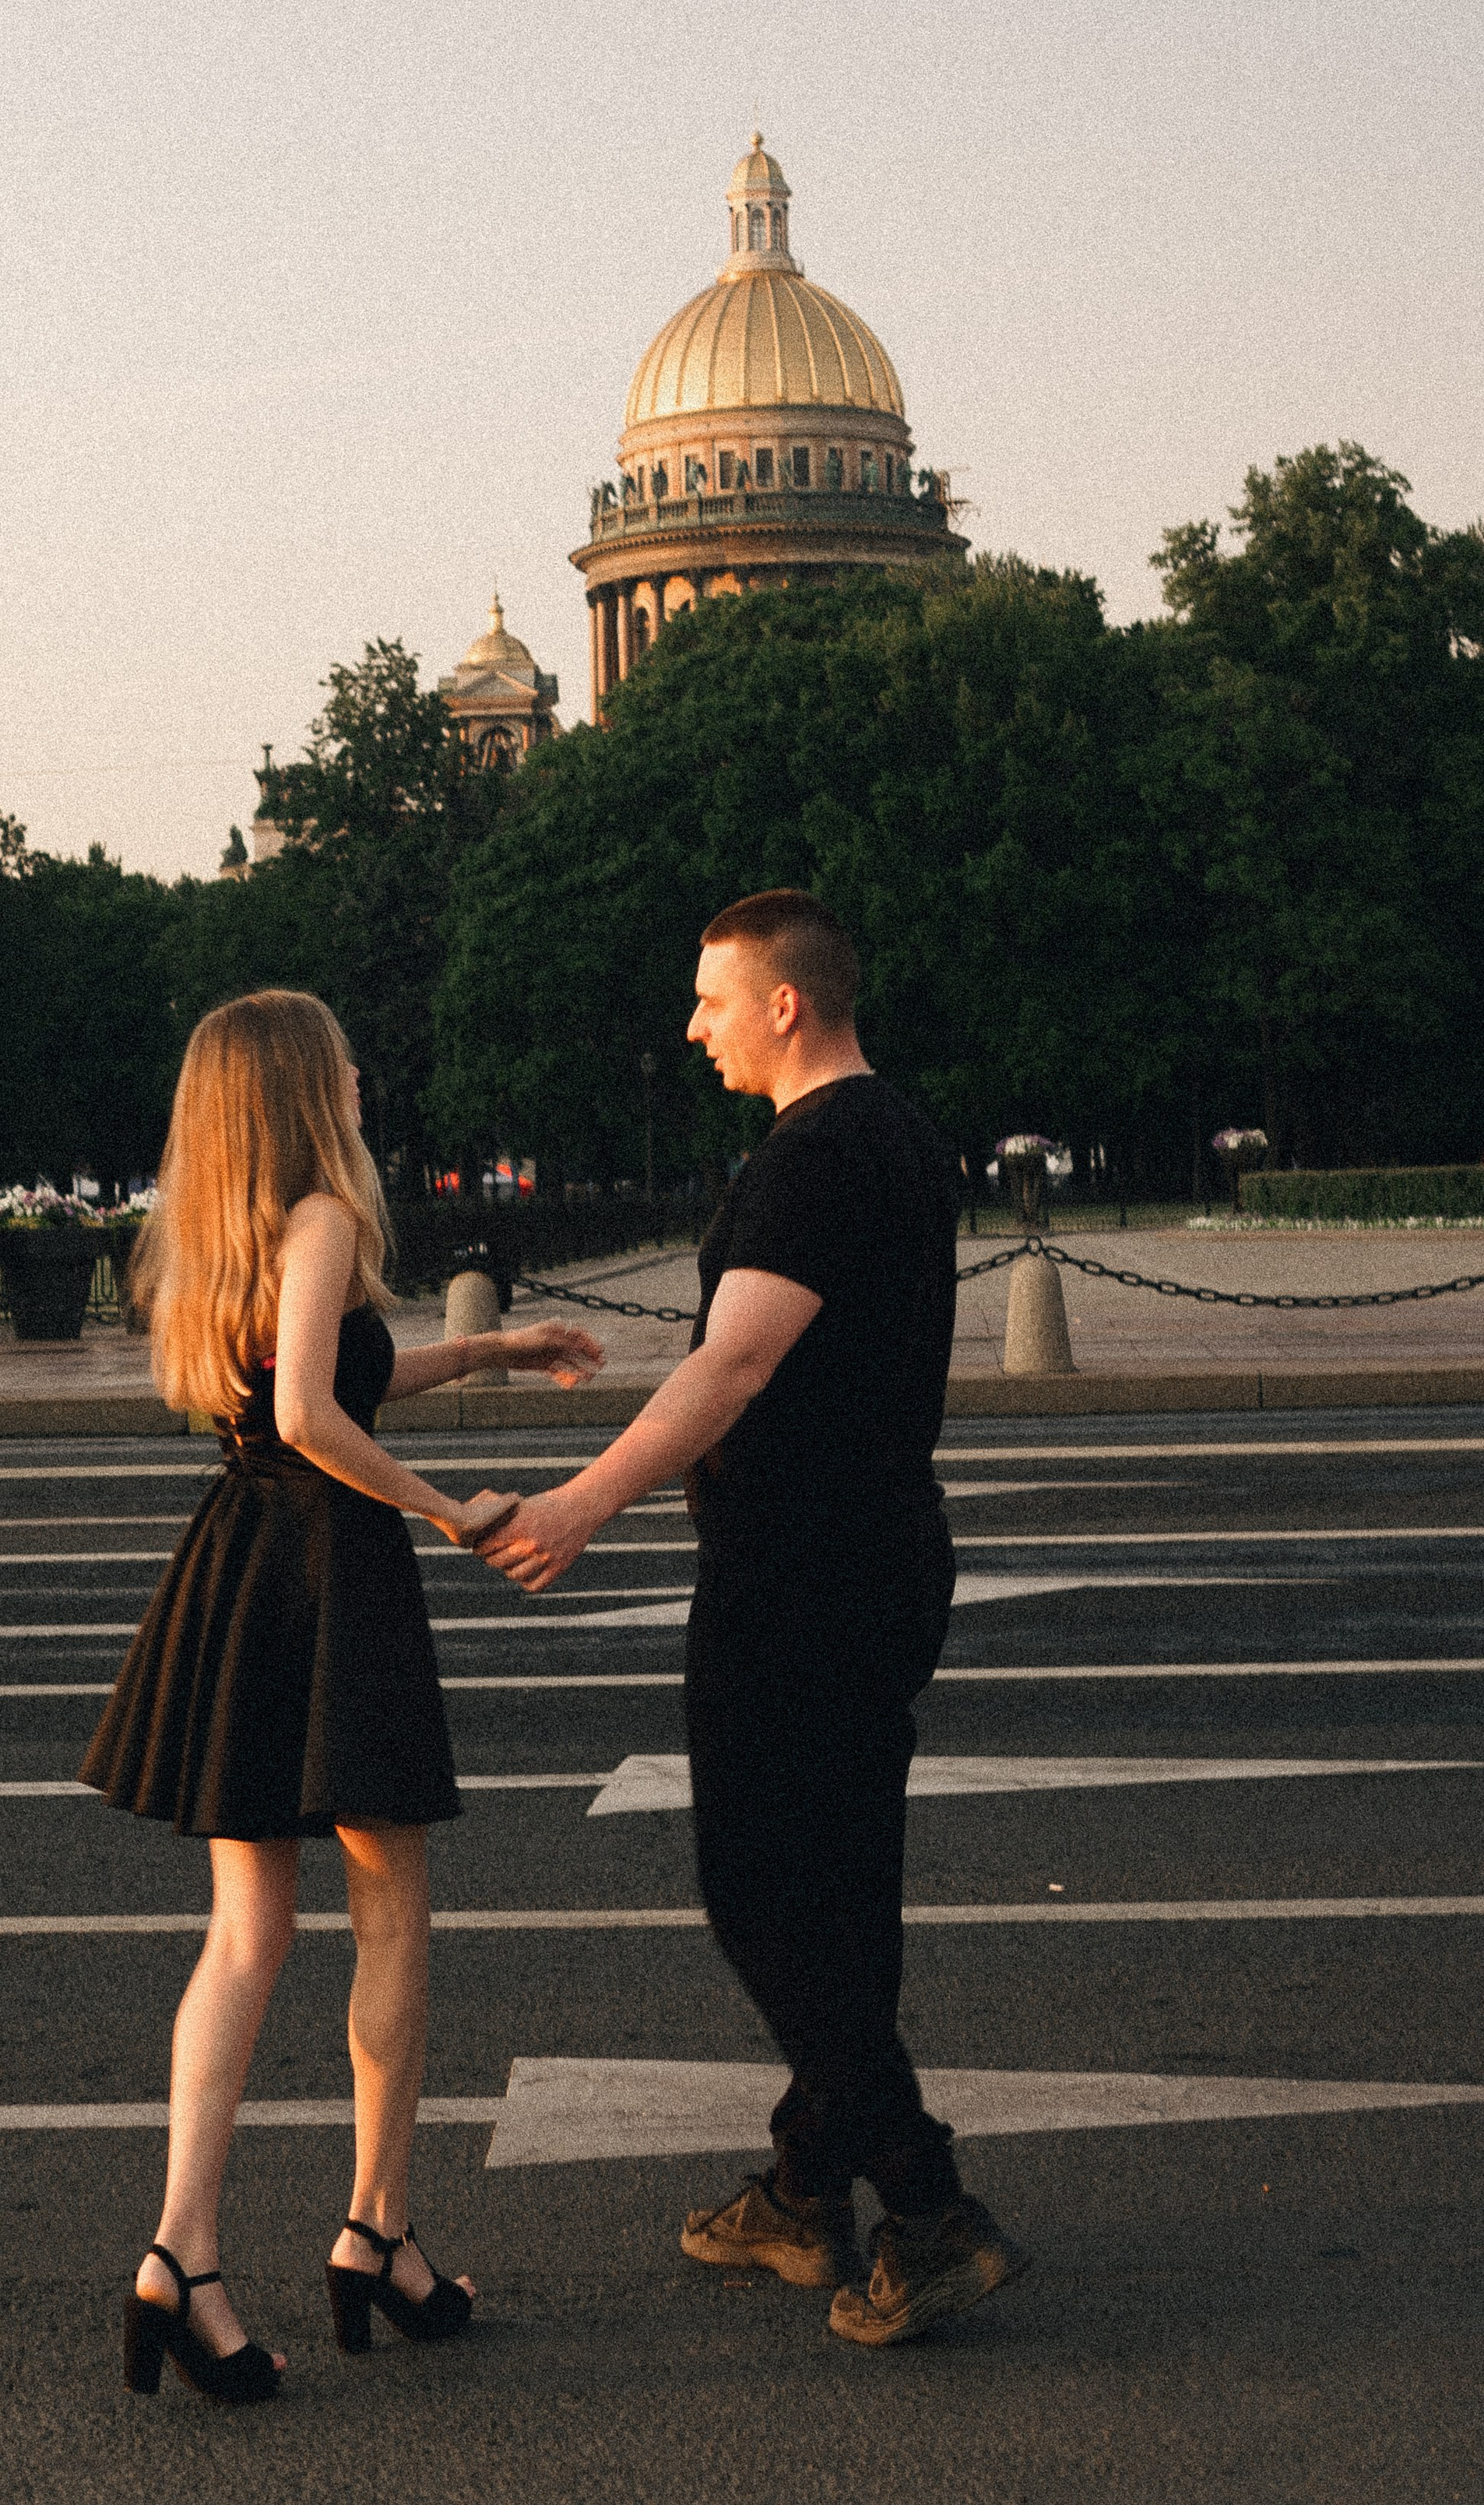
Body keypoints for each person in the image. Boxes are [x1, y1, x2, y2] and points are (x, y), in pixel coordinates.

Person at [483, 892, 1029, 2347]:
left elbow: (732, 1369)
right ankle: (803, 2190)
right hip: (881, 1551)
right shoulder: (901, 1137)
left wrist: (579, 1505)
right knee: (839, 1888)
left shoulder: (813, 1157)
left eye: (713, 998)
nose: (694, 1024)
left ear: (786, 1003)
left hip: (801, 1578)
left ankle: (925, 2204)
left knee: (765, 1895)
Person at [82, 989, 602, 2402]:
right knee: (390, 1909)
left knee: (245, 1934)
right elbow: (319, 1417)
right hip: (329, 1571)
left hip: (242, 1562)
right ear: (303, 1091)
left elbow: (317, 1386)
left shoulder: (225, 1237)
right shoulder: (318, 1217)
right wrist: (448, 1512)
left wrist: (491, 1351)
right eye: (343, 1060)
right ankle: (376, 2232)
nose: (364, 1074)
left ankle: (180, 2255)